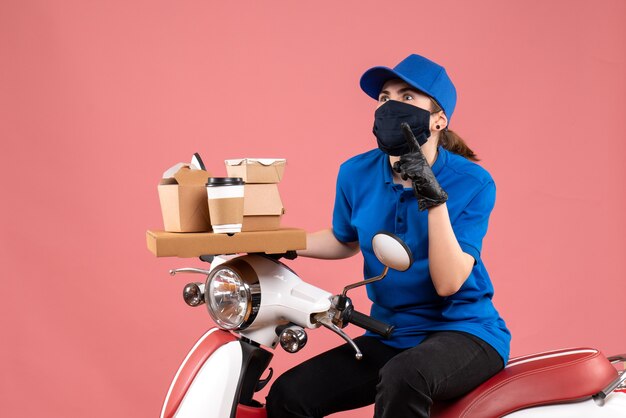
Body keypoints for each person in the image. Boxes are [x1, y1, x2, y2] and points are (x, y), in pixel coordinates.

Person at [266, 54, 511, 418]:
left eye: (408, 97)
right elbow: (343, 239)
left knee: (404, 376)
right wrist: (272, 242)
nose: (392, 106)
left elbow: (448, 283)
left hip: (464, 331)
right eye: (385, 98)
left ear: (439, 119)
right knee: (290, 395)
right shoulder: (355, 172)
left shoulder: (473, 182)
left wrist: (431, 193)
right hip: (391, 332)